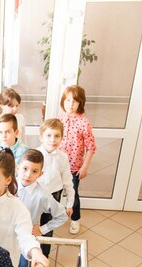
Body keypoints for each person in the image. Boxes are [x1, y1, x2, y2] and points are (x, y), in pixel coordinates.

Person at [10, 150, 68, 267]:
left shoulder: (42, 195)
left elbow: (62, 215)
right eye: (25, 169)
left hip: (25, 240)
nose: (28, 175)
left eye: (34, 171)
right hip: (7, 236)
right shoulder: (9, 186)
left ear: (41, 174)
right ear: (18, 168)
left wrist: (42, 229)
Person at [59, 85, 97, 234]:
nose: (70, 104)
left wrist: (85, 167)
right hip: (57, 165)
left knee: (72, 194)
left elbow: (91, 147)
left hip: (74, 168)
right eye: (68, 100)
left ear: (80, 103)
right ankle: (55, 216)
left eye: (74, 101)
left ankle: (75, 219)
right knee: (54, 192)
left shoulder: (84, 123)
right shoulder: (59, 119)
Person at [36, 118, 75, 255]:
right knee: (33, 226)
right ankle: (31, 256)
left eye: (57, 136)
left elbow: (68, 182)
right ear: (41, 137)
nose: (53, 139)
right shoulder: (35, 154)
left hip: (53, 196)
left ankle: (44, 256)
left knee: (47, 228)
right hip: (36, 195)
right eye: (48, 135)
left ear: (62, 138)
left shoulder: (63, 157)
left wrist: (70, 203)